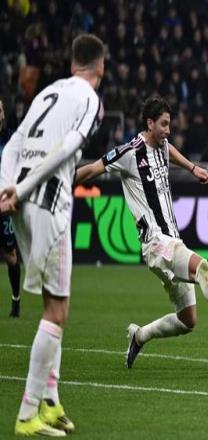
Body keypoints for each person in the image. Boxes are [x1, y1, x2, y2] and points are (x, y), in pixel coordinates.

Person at [75, 96, 208, 369]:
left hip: (172, 239)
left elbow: (169, 149)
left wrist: (192, 168)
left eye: (169, 124)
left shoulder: (161, 146)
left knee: (188, 320)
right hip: (156, 243)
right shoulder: (129, 153)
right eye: (164, 124)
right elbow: (93, 169)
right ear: (150, 123)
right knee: (202, 268)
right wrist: (61, 180)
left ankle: (140, 335)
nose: (168, 130)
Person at [0, 33, 105, 436]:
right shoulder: (90, 99)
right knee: (57, 310)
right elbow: (66, 149)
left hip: (23, 205)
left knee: (50, 304)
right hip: (48, 203)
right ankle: (28, 413)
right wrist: (24, 188)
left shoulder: (48, 92)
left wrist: (8, 188)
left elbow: (13, 144)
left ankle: (51, 401)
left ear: (72, 62)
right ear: (101, 67)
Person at [0, 98, 21, 317]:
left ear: (3, 114)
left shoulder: (12, 140)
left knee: (11, 256)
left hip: (4, 205)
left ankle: (16, 301)